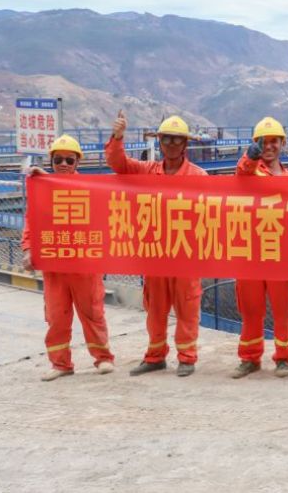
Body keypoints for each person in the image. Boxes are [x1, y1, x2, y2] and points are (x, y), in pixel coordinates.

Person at [106, 111, 207, 377]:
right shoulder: (146, 171)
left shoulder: (199, 176)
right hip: (155, 254)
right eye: (166, 139)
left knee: (187, 307)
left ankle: (187, 357)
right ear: (160, 142)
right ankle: (155, 357)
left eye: (177, 139)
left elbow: (213, 214)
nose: (171, 144)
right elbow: (118, 163)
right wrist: (117, 137)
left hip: (186, 256)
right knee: (155, 309)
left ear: (185, 144)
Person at [21, 135, 115, 381]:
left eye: (69, 160)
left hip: (84, 265)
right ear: (51, 161)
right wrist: (28, 249)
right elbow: (31, 222)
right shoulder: (41, 190)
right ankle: (61, 364)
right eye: (58, 159)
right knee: (56, 317)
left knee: (92, 313)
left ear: (77, 163)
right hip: (54, 266)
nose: (63, 164)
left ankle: (103, 358)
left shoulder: (87, 187)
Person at [231, 116, 288, 379]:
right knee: (250, 308)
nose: (268, 146)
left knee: (283, 310)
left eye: (273, 141)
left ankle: (284, 358)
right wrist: (250, 156)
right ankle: (250, 359)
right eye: (263, 142)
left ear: (282, 143)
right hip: (251, 252)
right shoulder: (250, 171)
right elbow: (241, 173)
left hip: (280, 254)